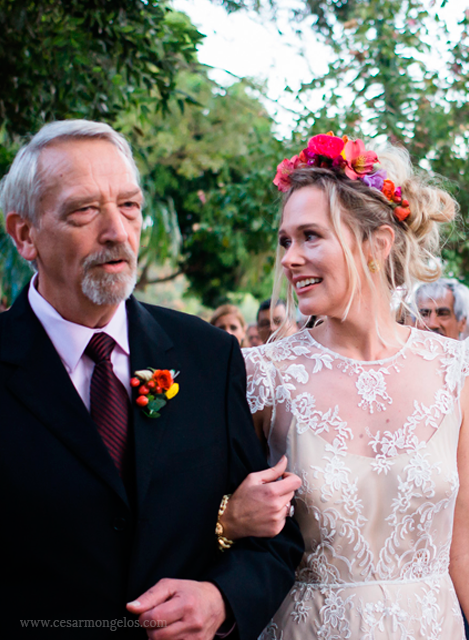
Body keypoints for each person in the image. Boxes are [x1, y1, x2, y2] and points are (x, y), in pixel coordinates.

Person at [0, 120, 303, 639]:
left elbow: (274, 535)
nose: (117, 231)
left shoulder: (209, 356)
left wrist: (221, 598)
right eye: (84, 210)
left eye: (130, 206)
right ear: (25, 234)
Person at [225, 132, 469, 638]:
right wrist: (229, 517)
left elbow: (466, 549)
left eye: (311, 236)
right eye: (285, 241)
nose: (290, 258)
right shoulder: (263, 376)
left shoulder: (460, 370)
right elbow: (216, 519)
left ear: (377, 245)